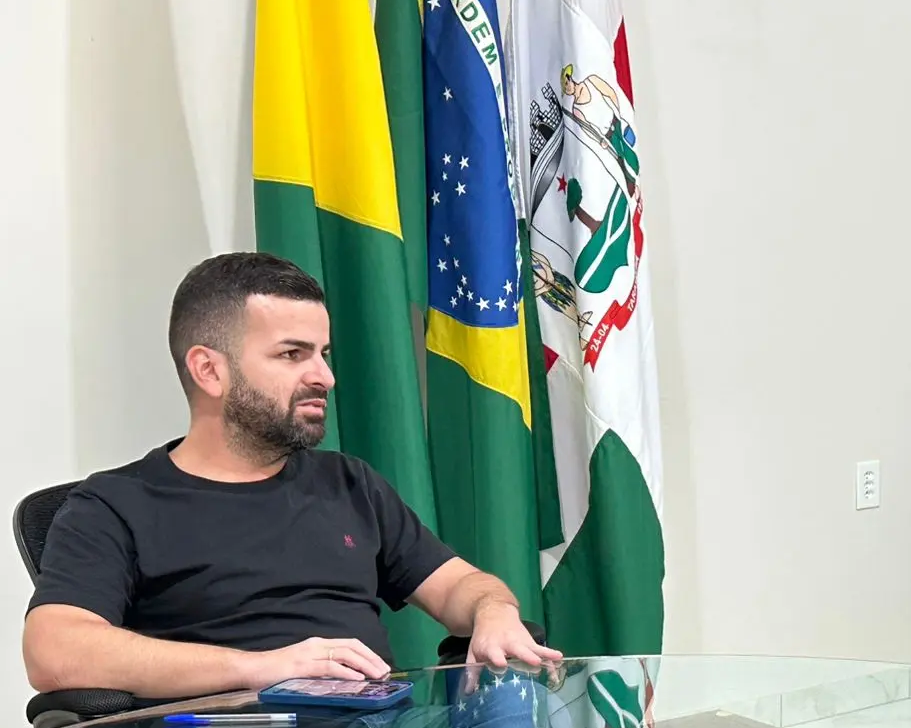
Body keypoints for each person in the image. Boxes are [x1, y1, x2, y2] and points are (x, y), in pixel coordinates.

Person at [22, 252, 560, 700]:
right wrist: (262, 668)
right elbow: (54, 651)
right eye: (292, 354)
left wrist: (492, 611)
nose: (324, 376)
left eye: (323, 354)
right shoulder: (115, 505)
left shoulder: (348, 482)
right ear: (209, 370)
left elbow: (460, 585)